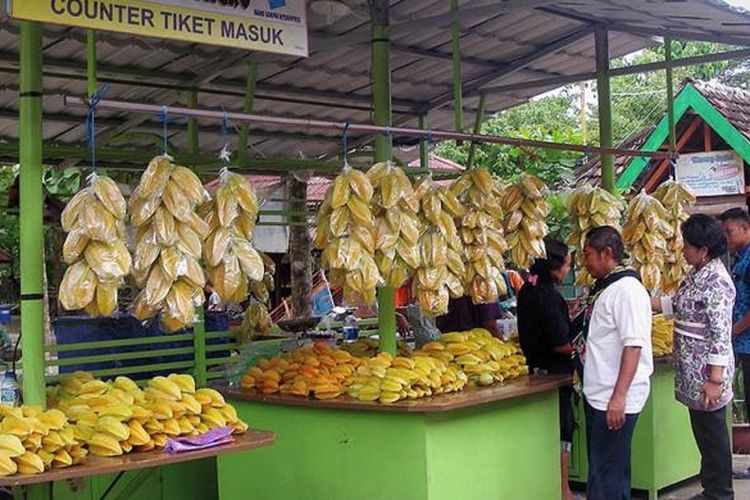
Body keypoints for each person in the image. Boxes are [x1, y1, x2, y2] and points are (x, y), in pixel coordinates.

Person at [653, 214, 735, 500]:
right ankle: (710, 488)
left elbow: (720, 333)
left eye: (687, 245)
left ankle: (721, 493)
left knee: (713, 435)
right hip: (691, 368)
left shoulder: (717, 282)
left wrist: (715, 378)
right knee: (703, 432)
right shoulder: (697, 274)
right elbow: (677, 303)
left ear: (703, 250)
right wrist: (641, 300)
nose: (683, 250)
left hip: (706, 372)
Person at [581, 226, 653, 500]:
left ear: (607, 253)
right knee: (611, 473)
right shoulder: (609, 287)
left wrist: (618, 398)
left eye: (588, 255)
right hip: (602, 395)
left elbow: (633, 345)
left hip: (613, 398)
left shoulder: (626, 291)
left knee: (605, 480)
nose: (585, 262)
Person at [517, 239, 576, 500]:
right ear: (554, 267)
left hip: (534, 369)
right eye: (566, 266)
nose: (567, 271)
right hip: (555, 373)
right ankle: (563, 490)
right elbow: (561, 343)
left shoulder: (527, 291)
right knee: (562, 432)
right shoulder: (548, 296)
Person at [719, 208, 750, 434]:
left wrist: (734, 330)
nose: (726, 238)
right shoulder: (740, 257)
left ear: (745, 229)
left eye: (729, 232)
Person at [435, 295, 503, 337]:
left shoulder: (447, 277)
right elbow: (489, 323)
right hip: (475, 341)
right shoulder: (485, 279)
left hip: (447, 339)